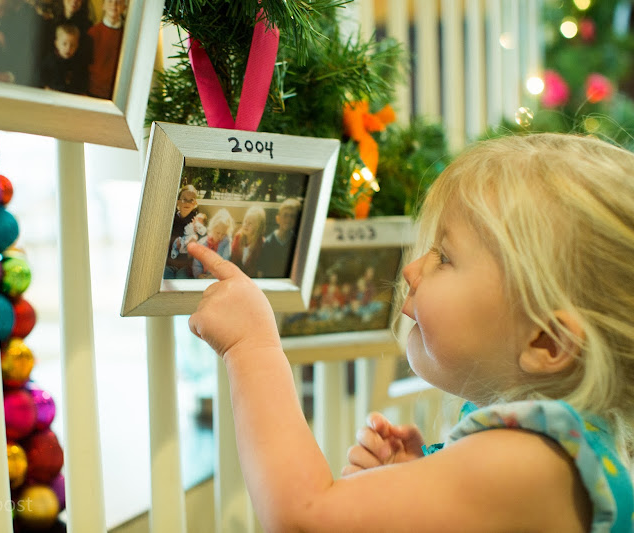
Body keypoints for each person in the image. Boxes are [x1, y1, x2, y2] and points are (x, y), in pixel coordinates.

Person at [186, 133, 634, 532]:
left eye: (445, 257)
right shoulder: (565, 453)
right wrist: (422, 480)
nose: (413, 269)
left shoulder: (531, 462)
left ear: (548, 341)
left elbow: (303, 517)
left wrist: (253, 347)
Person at [87, 0, 127, 99]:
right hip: (92, 91)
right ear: (103, 6)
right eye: (110, 1)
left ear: (124, 8)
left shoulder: (127, 37)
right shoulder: (93, 32)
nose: (114, 5)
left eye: (118, 2)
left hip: (117, 93)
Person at [257, 198, 301, 278]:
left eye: (292, 216)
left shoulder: (296, 242)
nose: (288, 219)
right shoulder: (268, 243)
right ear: (278, 219)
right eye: (285, 215)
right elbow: (261, 270)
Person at [40, 23, 88, 94]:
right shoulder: (49, 62)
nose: (68, 48)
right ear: (56, 44)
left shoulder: (78, 64)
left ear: (77, 46)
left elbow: (81, 84)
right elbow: (41, 81)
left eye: (72, 45)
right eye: (64, 44)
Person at [163, 184, 199, 279]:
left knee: (181, 281)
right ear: (178, 202)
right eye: (184, 199)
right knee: (165, 280)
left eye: (191, 200)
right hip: (169, 264)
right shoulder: (170, 219)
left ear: (195, 203)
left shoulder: (197, 221)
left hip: (186, 266)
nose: (187, 203)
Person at [192, 209, 233, 279]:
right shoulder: (202, 243)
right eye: (218, 233)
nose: (220, 236)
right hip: (202, 275)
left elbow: (225, 262)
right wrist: (198, 274)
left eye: (223, 234)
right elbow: (196, 263)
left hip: (217, 276)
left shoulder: (226, 243)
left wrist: (214, 276)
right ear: (212, 229)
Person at [230, 206, 266, 278]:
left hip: (251, 279)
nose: (246, 225)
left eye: (250, 223)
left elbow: (259, 267)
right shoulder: (238, 237)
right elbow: (233, 261)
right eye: (245, 221)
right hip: (236, 276)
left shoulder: (261, 243)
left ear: (258, 227)